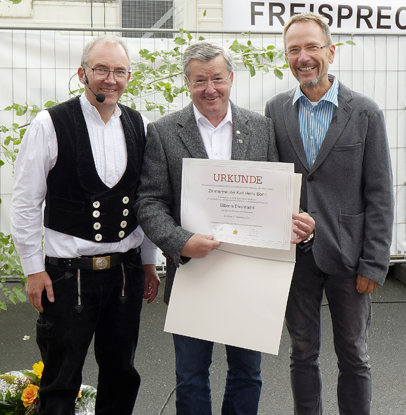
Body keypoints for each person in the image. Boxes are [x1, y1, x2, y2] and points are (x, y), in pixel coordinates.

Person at [133, 41, 314, 415]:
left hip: (250, 276)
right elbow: (149, 201)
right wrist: (181, 241)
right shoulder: (164, 132)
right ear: (187, 83)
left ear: (231, 78)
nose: (210, 88)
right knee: (191, 377)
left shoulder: (261, 128)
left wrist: (296, 221)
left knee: (247, 374)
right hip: (193, 273)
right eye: (200, 80)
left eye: (217, 78)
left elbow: (275, 194)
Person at [10, 35, 161, 415]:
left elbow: (146, 202)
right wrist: (33, 269)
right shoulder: (50, 123)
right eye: (101, 69)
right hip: (67, 276)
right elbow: (26, 202)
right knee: (60, 379)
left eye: (119, 71)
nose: (110, 79)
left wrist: (148, 262)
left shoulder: (140, 125)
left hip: (125, 272)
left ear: (129, 77)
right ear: (82, 73)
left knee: (121, 375)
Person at [265, 13, 395, 415]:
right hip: (297, 258)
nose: (303, 57)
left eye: (312, 47)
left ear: (331, 52)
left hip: (350, 257)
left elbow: (380, 193)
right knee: (302, 353)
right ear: (286, 57)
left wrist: (374, 263)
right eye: (294, 49)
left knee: (353, 355)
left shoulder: (365, 112)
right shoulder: (276, 110)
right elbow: (271, 182)